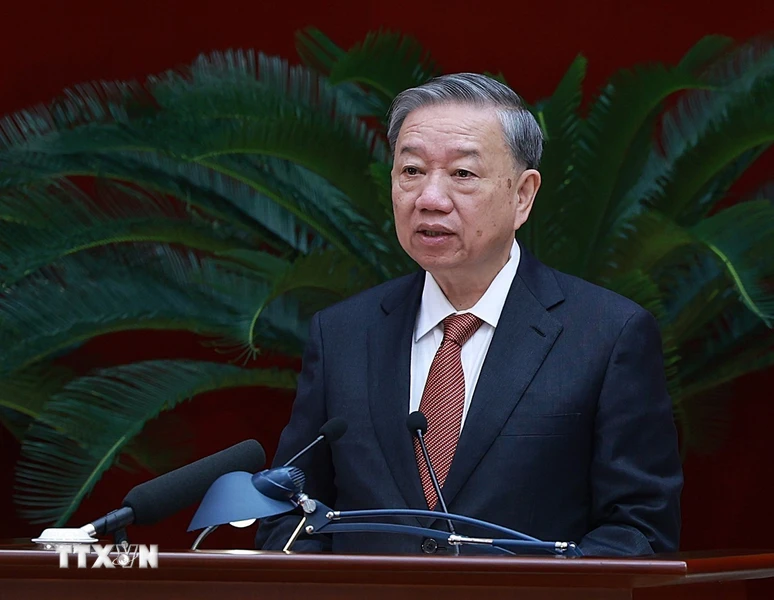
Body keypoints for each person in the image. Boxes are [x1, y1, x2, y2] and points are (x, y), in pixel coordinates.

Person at [255, 73, 682, 556]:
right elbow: (288, 512)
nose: (430, 199)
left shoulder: (607, 335)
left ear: (522, 195)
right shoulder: (342, 334)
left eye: (462, 174)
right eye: (411, 170)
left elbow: (639, 529)